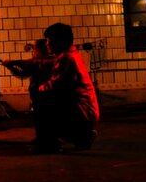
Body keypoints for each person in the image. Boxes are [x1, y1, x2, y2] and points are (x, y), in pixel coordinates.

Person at [32, 22, 100, 154]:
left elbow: (55, 86)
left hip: (82, 114)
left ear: (59, 41)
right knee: (46, 97)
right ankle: (81, 137)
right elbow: (47, 64)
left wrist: (39, 89)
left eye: (48, 41)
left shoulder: (67, 58)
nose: (46, 44)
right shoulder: (71, 54)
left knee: (42, 100)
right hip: (87, 112)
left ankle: (49, 144)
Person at [1, 39, 54, 144]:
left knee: (44, 118)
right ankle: (42, 137)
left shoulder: (45, 61)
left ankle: (47, 141)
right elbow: (24, 73)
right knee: (40, 117)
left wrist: (12, 63)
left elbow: (27, 64)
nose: (34, 51)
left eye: (35, 48)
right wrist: (11, 67)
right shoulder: (42, 61)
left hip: (44, 94)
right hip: (39, 95)